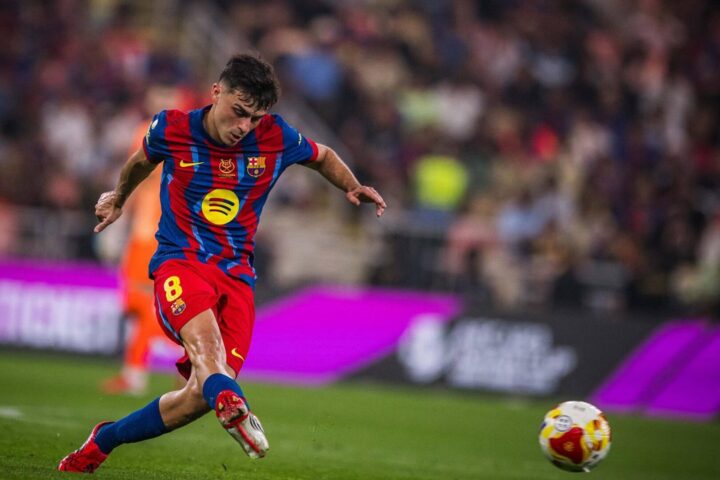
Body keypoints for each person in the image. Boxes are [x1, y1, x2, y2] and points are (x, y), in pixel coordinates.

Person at [58, 53, 386, 473]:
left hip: (237, 277)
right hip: (181, 263)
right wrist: (119, 199)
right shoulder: (173, 128)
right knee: (209, 355)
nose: (244, 126)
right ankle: (236, 406)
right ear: (216, 92)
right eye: (239, 111)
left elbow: (321, 155)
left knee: (201, 394)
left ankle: (105, 438)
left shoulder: (275, 136)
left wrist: (352, 186)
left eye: (255, 118)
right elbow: (140, 161)